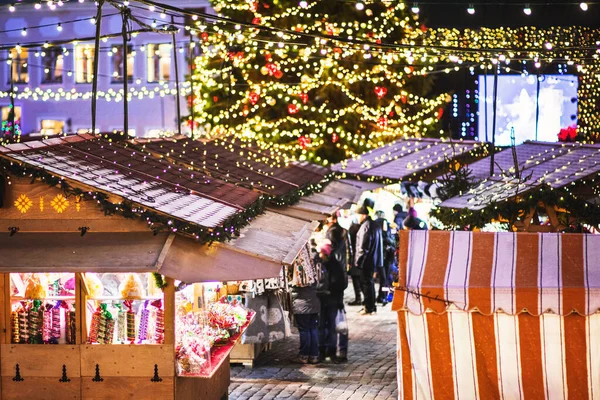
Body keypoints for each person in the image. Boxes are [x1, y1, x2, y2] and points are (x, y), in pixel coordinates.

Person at [317, 213, 350, 363]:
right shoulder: (335, 264)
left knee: (326, 325)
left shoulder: (321, 264)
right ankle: (329, 351)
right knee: (329, 325)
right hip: (331, 298)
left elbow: (339, 282)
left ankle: (324, 351)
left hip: (325, 299)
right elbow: (342, 283)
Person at [355, 206, 383, 315]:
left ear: (363, 215)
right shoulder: (375, 225)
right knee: (369, 283)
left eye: (358, 215)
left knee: (366, 284)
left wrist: (359, 261)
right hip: (373, 259)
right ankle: (370, 306)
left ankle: (369, 307)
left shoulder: (366, 226)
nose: (357, 218)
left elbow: (363, 246)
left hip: (366, 261)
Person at [291, 281, 320, 364]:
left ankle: (304, 355)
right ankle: (314, 356)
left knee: (304, 329)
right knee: (313, 328)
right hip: (314, 302)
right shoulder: (316, 270)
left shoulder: (300, 273)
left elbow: (296, 286)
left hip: (302, 304)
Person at [374, 211, 395, 306]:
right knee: (384, 277)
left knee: (383, 277)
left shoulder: (375, 225)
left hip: (381, 255)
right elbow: (391, 240)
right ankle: (382, 296)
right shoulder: (387, 225)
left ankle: (382, 296)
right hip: (387, 255)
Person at [347, 216, 362, 306]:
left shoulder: (352, 230)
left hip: (354, 258)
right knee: (360, 280)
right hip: (359, 258)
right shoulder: (360, 230)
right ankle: (360, 298)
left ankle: (358, 298)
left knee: (356, 280)